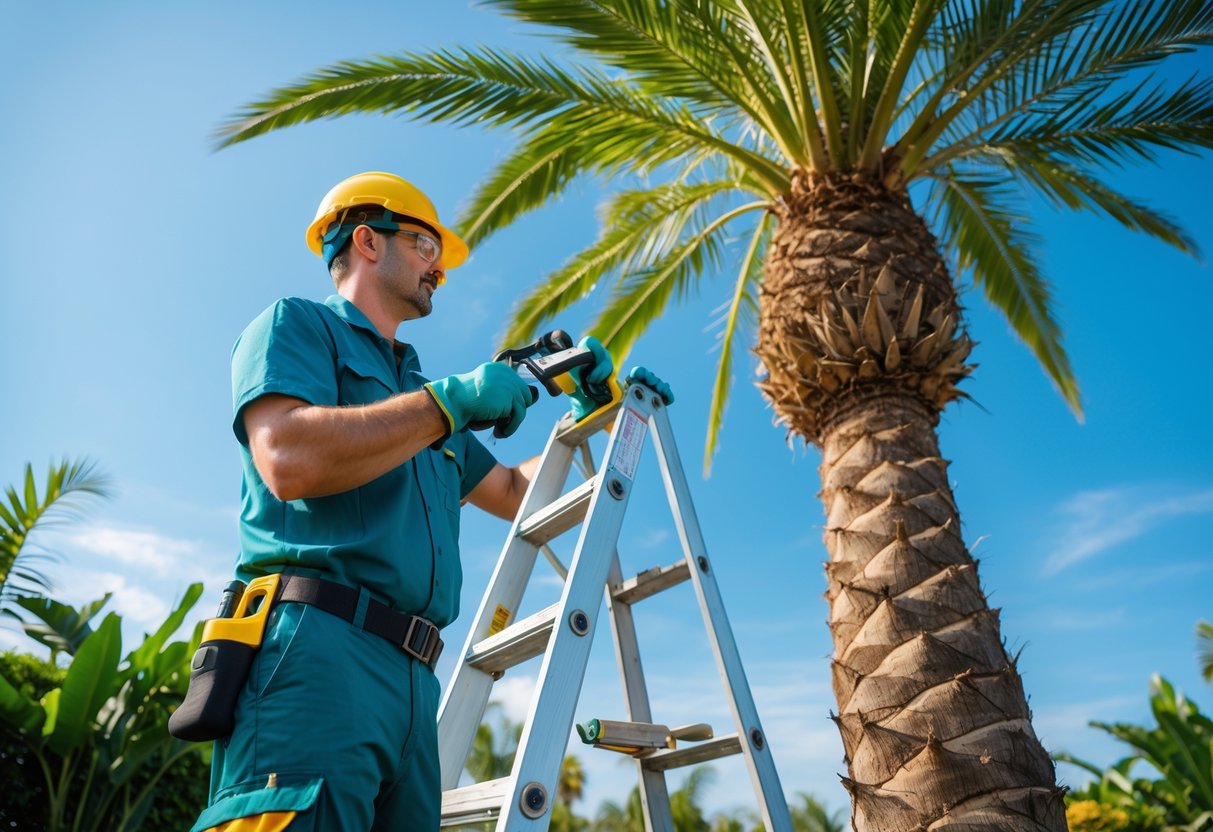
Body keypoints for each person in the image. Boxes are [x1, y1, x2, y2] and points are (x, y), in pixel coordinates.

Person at [188, 171, 614, 832]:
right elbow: (287, 459)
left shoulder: (419, 397)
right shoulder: (296, 327)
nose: (436, 267)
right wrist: (450, 404)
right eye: (423, 245)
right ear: (365, 240)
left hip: (416, 679)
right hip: (318, 647)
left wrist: (593, 418)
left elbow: (512, 492)